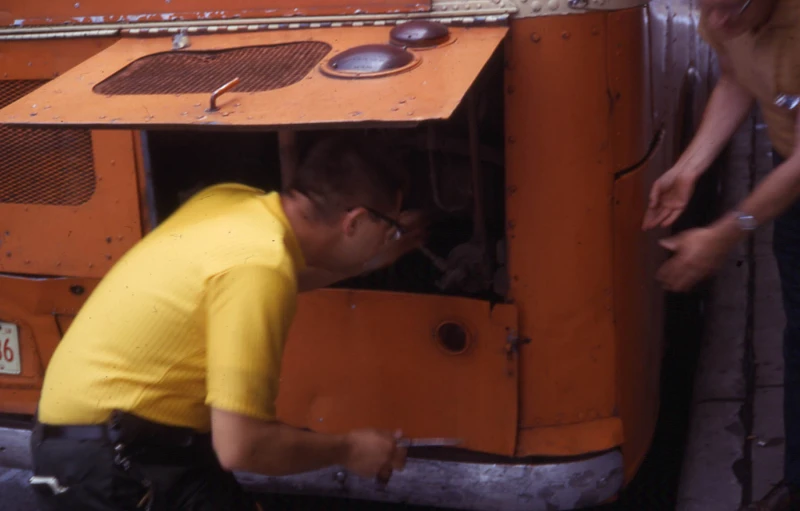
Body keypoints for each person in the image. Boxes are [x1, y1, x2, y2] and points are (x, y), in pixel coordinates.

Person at [28, 134, 425, 510]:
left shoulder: (232, 204)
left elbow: (278, 275)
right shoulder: (260, 266)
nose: (392, 235)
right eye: (390, 226)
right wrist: (351, 449)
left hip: (85, 441)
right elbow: (243, 446)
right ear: (352, 223)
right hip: (114, 460)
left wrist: (372, 258)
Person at [642, 0, 800, 508]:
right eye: (705, 7)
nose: (716, 24)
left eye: (731, 8)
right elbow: (734, 78)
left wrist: (729, 232)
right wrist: (690, 165)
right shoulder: (725, 14)